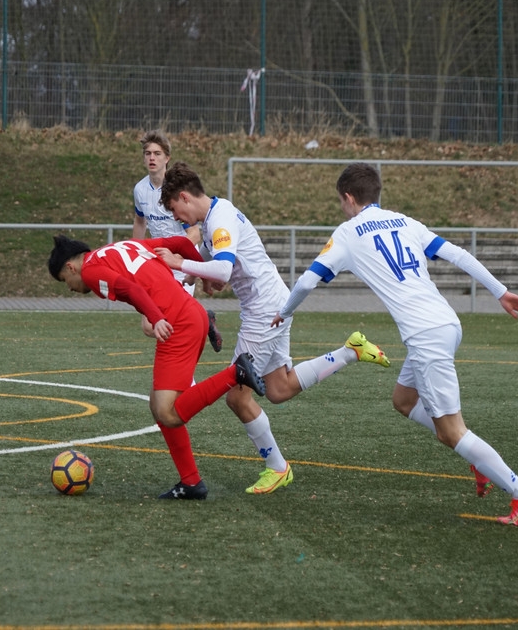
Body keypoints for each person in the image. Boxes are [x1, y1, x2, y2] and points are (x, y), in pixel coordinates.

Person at [271, 162, 518, 526]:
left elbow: (306, 282)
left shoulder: (349, 232)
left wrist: (285, 312)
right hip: (446, 323)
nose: (342, 208)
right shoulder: (405, 221)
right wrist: (501, 292)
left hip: (427, 335)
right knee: (403, 400)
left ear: (349, 198)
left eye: (341, 202)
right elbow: (458, 254)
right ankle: (478, 458)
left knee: (452, 431)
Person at [156, 161, 391, 495]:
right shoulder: (215, 216)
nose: (177, 218)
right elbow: (220, 271)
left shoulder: (219, 220)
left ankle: (277, 467)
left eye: (174, 209)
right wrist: (196, 274)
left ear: (184, 196)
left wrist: (181, 263)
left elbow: (222, 271)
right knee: (278, 389)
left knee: (238, 397)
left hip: (264, 311)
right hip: (273, 303)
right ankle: (349, 351)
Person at [48, 234, 266, 500]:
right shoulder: (120, 247)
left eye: (64, 281)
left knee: (169, 413)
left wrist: (156, 317)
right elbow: (181, 243)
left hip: (177, 323)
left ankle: (236, 373)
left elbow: (133, 290)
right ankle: (191, 482)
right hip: (191, 314)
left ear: (71, 267)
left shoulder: (92, 271)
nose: (69, 288)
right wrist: (203, 273)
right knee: (158, 406)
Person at [132, 129, 223, 353]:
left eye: (157, 153)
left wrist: (178, 257)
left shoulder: (175, 189)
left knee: (168, 323)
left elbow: (194, 233)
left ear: (167, 158)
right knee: (148, 325)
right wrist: (134, 252)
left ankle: (180, 371)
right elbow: (140, 222)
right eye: (147, 153)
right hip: (158, 263)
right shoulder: (140, 190)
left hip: (180, 266)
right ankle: (204, 319)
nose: (151, 158)